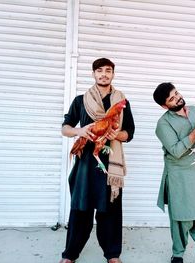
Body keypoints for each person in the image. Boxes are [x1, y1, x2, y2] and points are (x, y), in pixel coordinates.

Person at [59, 58, 135, 263]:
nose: (104, 74)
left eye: (108, 71)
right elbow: (65, 128)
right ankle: (70, 254)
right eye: (99, 71)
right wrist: (79, 130)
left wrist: (114, 134)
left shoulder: (121, 101)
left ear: (113, 74)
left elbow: (129, 133)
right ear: (93, 74)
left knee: (110, 211)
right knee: (80, 210)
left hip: (111, 166)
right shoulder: (80, 101)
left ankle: (112, 254)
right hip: (86, 164)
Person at [153, 82, 195, 263]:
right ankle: (178, 253)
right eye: (172, 99)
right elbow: (175, 150)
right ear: (164, 106)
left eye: (177, 93)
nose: (178, 98)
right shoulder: (163, 124)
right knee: (181, 217)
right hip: (179, 174)